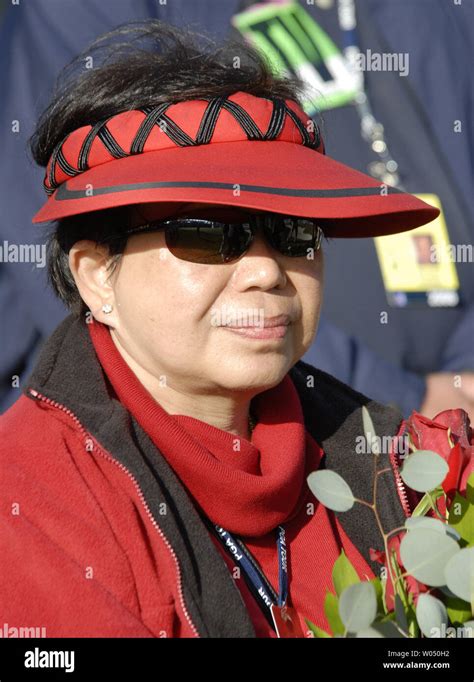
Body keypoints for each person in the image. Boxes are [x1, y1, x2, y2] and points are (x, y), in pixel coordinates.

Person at [0, 20, 438, 638]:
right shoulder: (28, 504)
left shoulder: (408, 465)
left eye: (294, 233)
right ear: (98, 277)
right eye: (207, 233)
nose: (265, 270)